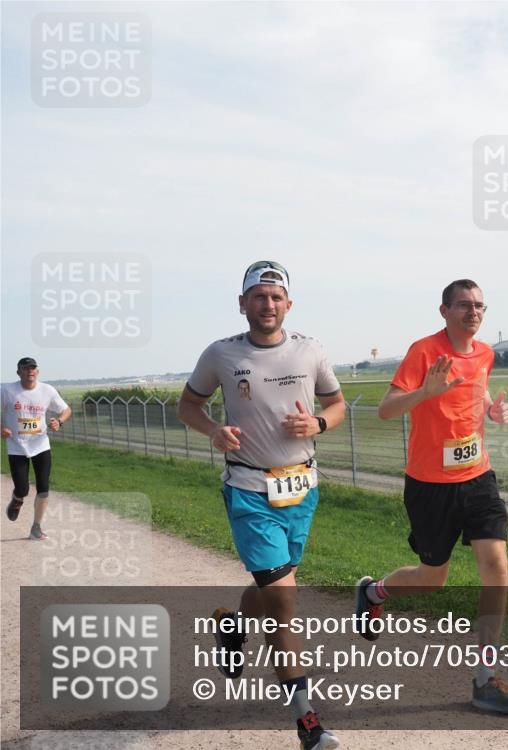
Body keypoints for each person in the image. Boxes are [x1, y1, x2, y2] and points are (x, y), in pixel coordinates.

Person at [177, 261, 345, 750]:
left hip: (302, 490)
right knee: (284, 601)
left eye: (275, 297)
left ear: (288, 304)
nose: (267, 304)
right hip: (250, 491)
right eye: (258, 296)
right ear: (242, 302)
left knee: (274, 591)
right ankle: (306, 719)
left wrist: (319, 424)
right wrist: (213, 431)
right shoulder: (222, 354)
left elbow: (336, 405)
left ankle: (231, 625)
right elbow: (188, 405)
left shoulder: (310, 350)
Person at [355, 279, 508, 714]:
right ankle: (375, 593)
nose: (474, 312)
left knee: (496, 566)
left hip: (478, 477)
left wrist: (492, 409)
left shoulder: (485, 353)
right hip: (430, 485)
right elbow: (386, 409)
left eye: (480, 306)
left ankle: (486, 679)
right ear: (444, 310)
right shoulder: (424, 352)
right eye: (465, 305)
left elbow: (476, 388)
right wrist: (425, 393)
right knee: (434, 578)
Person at [2, 357, 72, 541]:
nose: (30, 371)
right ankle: (17, 500)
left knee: (44, 487)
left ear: (37, 372)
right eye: (25, 368)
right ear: (18, 372)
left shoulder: (47, 390)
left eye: (33, 368)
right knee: (23, 488)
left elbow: (66, 410)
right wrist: (1, 427)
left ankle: (36, 527)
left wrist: (60, 421)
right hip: (16, 446)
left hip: (41, 445)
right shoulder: (7, 391)